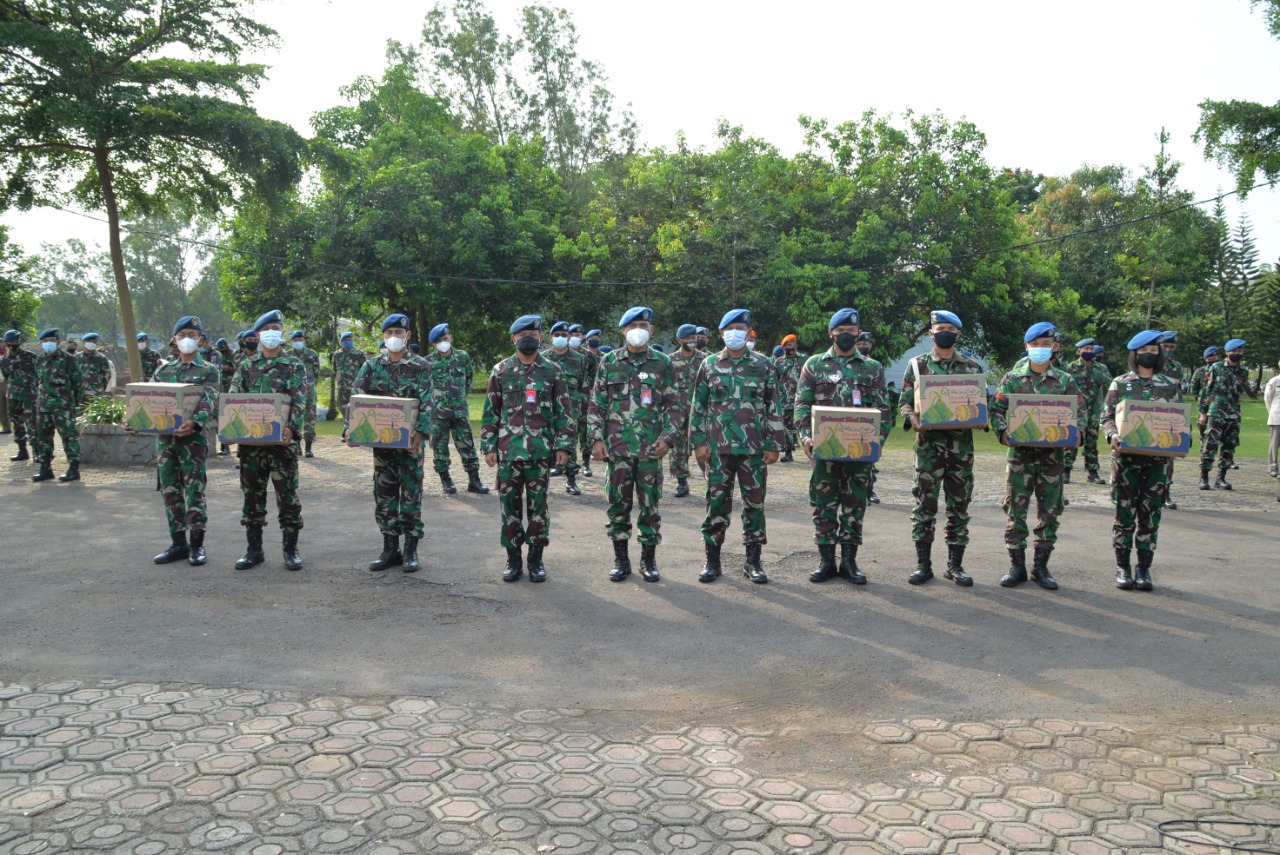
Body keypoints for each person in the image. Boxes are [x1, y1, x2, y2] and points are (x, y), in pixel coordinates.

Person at [794, 308, 889, 585]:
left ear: (858, 333)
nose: (846, 336)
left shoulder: (872, 368)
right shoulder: (814, 364)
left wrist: (877, 442)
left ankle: (849, 562)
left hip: (860, 454)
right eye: (841, 331)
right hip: (824, 452)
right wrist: (805, 437)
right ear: (831, 333)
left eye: (851, 332)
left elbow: (883, 409)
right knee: (823, 505)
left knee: (854, 505)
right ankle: (826, 561)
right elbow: (801, 404)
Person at [690, 308, 785, 584]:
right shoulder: (708, 364)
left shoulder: (764, 365)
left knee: (754, 505)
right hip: (718, 450)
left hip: (754, 449)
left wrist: (775, 443)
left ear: (748, 331)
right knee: (716, 504)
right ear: (721, 333)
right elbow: (699, 407)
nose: (735, 333)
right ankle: (712, 561)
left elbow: (773, 405)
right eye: (730, 328)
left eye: (741, 328)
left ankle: (753, 562)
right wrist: (698, 442)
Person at [989, 322, 1084, 591]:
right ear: (1026, 346)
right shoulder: (1012, 379)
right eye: (1035, 344)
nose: (1041, 349)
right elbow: (996, 409)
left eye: (1046, 344)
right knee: (1015, 510)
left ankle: (1041, 567)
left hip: (1052, 458)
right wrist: (1002, 430)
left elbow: (1081, 412)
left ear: (1054, 346)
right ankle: (1016, 566)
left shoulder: (1066, 381)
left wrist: (1079, 432)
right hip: (1020, 457)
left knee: (1050, 511)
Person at [588, 307, 680, 582]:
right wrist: (596, 438)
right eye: (633, 325)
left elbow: (674, 406)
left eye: (643, 324)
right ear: (623, 330)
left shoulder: (662, 362)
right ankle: (621, 560)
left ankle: (648, 561)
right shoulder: (609, 361)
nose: (638, 329)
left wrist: (668, 438)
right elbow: (597, 403)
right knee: (618, 505)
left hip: (651, 449)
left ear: (651, 330)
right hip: (617, 450)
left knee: (650, 507)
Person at [480, 315, 573, 583]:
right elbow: (491, 412)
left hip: (540, 453)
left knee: (538, 509)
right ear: (513, 339)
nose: (528, 337)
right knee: (509, 508)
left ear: (540, 337)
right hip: (509, 453)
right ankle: (512, 560)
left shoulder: (552, 370)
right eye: (522, 334)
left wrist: (564, 446)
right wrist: (489, 446)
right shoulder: (500, 371)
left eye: (533, 332)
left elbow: (563, 411)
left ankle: (535, 560)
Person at [899, 310, 986, 587]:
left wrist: (980, 419)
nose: (945, 332)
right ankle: (923, 566)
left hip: (961, 451)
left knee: (959, 507)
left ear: (958, 334)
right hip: (928, 450)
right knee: (924, 506)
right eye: (940, 328)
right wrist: (913, 419)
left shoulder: (972, 368)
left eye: (950, 328)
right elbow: (904, 403)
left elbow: (979, 405)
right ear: (931, 333)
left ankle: (955, 566)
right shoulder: (916, 365)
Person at [350, 314, 435, 573]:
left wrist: (419, 435)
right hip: (383, 448)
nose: (393, 338)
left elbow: (428, 401)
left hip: (409, 446)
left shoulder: (421, 366)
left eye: (398, 332)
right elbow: (356, 400)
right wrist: (350, 430)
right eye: (389, 333)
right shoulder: (371, 366)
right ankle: (390, 549)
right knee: (384, 496)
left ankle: (410, 550)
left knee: (410, 496)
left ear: (408, 335)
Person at [137, 316, 221, 567]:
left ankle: (197, 545)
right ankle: (178, 544)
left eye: (193, 335)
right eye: (182, 334)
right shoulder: (163, 371)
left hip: (193, 441)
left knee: (195, 491)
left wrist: (195, 422)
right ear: (174, 339)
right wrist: (133, 420)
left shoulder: (209, 370)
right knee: (170, 491)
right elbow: (145, 399)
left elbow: (210, 399)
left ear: (201, 340)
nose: (187, 339)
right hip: (166, 442)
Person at [228, 310, 308, 571]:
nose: (272, 332)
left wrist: (292, 430)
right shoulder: (246, 366)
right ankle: (254, 550)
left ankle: (291, 550)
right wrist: (229, 428)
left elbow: (299, 400)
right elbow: (233, 400)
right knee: (252, 497)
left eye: (276, 327)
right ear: (258, 335)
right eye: (267, 328)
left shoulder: (294, 365)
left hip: (282, 445)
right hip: (251, 448)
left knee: (288, 498)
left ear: (281, 332)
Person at [1101, 330, 1179, 590]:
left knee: (1150, 516)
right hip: (1125, 461)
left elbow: (1179, 420)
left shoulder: (1170, 384)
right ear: (1135, 354)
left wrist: (1181, 438)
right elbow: (1106, 417)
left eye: (1154, 351)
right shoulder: (1120, 383)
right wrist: (1111, 434)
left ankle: (1143, 569)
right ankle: (1122, 567)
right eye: (1145, 351)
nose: (1150, 354)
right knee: (1124, 514)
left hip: (1157, 463)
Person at [424, 322, 488, 495]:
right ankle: (446, 481)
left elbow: (468, 379)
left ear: (451, 338)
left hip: (459, 411)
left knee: (467, 445)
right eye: (439, 340)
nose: (443, 342)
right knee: (440, 448)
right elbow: (424, 387)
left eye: (445, 338)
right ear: (433, 344)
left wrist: (459, 398)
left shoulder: (462, 357)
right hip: (438, 413)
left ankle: (474, 481)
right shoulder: (427, 362)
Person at [1199, 338, 1255, 490]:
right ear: (1227, 352)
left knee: (1229, 447)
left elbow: (1243, 391)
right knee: (1210, 445)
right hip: (1217, 411)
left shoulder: (1243, 371)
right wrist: (1203, 412)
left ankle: (1221, 478)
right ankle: (1204, 477)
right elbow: (1207, 391)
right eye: (1234, 351)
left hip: (1234, 413)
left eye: (1240, 351)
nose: (1237, 353)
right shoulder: (1216, 367)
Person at [541, 321, 590, 495]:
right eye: (557, 335)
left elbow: (583, 385)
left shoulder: (580, 359)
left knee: (569, 442)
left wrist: (584, 409)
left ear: (569, 337)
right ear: (550, 337)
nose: (560, 338)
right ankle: (543, 479)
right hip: (548, 407)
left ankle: (571, 480)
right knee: (546, 442)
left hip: (571, 408)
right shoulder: (543, 358)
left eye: (564, 335)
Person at [30, 328, 84, 482]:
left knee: (68, 436)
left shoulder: (68, 359)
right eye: (45, 341)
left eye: (52, 341)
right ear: (41, 343)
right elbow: (37, 382)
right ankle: (45, 468)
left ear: (58, 342)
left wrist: (72, 403)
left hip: (63, 406)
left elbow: (78, 383)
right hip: (43, 406)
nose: (48, 344)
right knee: (43, 437)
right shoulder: (40, 360)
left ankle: (74, 468)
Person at [1063, 338, 1106, 486]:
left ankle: (1092, 472)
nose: (1088, 352)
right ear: (1078, 351)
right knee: (1072, 439)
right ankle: (1066, 471)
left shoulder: (1101, 368)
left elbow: (1111, 383)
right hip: (1076, 410)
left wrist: (1103, 377)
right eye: (1085, 349)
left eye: (1091, 349)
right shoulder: (1070, 368)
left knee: (1091, 442)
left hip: (1094, 410)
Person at [856, 331, 890, 504]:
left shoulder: (874, 367)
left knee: (869, 462)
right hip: (848, 420)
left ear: (871, 346)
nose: (863, 346)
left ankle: (869, 491)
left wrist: (881, 436)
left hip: (868, 422)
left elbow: (882, 402)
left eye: (866, 344)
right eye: (860, 343)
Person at [667, 323, 701, 497]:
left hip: (700, 412)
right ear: (679, 340)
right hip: (677, 411)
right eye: (688, 338)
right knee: (679, 448)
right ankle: (682, 482)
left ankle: (713, 479)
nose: (692, 341)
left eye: (694, 338)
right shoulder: (669, 360)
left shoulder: (705, 360)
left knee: (705, 445)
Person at [1157, 331, 1186, 510]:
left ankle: (1166, 492)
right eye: (1165, 346)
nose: (1168, 350)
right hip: (1151, 413)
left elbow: (1178, 392)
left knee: (1169, 456)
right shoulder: (1152, 363)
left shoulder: (1177, 368)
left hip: (1170, 415)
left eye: (1171, 347)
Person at [2, 330, 38, 462]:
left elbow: (38, 373)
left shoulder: (30, 356)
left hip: (29, 395)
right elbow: (6, 377)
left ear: (20, 342)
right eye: (10, 342)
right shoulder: (3, 360)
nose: (13, 345)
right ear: (6, 343)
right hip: (13, 396)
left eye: (16, 342)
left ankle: (37, 451)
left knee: (32, 423)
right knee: (17, 424)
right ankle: (22, 450)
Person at [774, 334, 806, 463]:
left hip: (803, 399)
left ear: (796, 345)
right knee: (786, 427)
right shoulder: (778, 362)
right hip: (785, 400)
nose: (790, 347)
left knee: (805, 425)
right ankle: (788, 452)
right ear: (783, 347)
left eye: (792, 344)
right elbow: (774, 381)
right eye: (787, 345)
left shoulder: (804, 359)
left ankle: (814, 451)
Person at [289, 330, 320, 458]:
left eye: (300, 339)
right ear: (292, 342)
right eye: (295, 340)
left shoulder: (312, 354)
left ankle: (308, 448)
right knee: (294, 419)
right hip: (294, 392)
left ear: (304, 340)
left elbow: (316, 373)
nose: (298, 342)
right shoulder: (287, 356)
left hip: (309, 391)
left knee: (310, 419)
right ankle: (297, 447)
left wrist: (310, 385)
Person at [331, 330, 368, 426]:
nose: (349, 341)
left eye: (350, 339)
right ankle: (346, 427)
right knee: (342, 407)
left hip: (354, 386)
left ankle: (354, 427)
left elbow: (364, 370)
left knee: (355, 407)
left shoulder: (358, 354)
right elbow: (334, 369)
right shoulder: (337, 354)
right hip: (342, 386)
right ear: (342, 341)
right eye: (347, 340)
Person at [1190, 345, 1220, 439]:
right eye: (1209, 359)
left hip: (1219, 406)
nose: (1212, 361)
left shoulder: (1224, 370)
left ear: (1219, 357)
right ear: (1205, 359)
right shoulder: (1200, 371)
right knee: (1203, 431)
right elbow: (1194, 389)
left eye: (1214, 358)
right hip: (1203, 405)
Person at [77, 333, 115, 397]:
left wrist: (100, 388)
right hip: (80, 392)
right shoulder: (76, 357)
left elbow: (106, 376)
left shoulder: (102, 358)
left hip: (96, 392)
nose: (91, 343)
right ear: (84, 342)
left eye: (93, 342)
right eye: (89, 341)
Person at [1265, 363, 1280, 481]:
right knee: (1274, 445)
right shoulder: (1275, 380)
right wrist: (1272, 412)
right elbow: (1268, 398)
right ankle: (1273, 468)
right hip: (1277, 417)